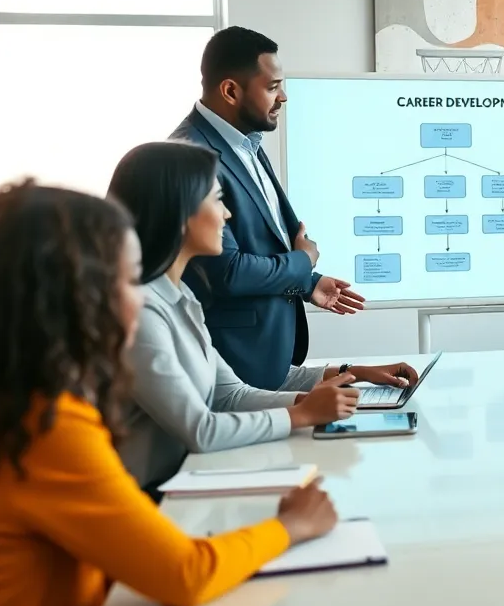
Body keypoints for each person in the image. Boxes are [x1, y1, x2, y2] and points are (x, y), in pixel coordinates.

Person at [0, 180, 339, 606]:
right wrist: (291, 526)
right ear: (76, 293)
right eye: (126, 277)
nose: (138, 297)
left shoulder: (31, 404)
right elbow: (185, 574)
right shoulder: (48, 429)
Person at [107, 142, 420, 494]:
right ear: (179, 213)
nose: (227, 216)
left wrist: (332, 388)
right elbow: (201, 429)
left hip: (191, 483)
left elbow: (231, 396)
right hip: (153, 499)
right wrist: (301, 414)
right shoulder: (140, 312)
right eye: (217, 200)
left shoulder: (181, 296)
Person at [169, 26, 362, 389]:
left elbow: (259, 244)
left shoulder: (249, 144)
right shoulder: (190, 157)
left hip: (267, 361)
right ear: (230, 90)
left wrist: (308, 282)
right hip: (231, 364)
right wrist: (304, 262)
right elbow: (227, 271)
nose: (284, 96)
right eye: (273, 87)